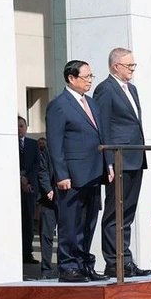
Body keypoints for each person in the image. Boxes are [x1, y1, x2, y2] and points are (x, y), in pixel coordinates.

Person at [46, 60, 113, 282]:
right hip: (72, 176)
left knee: (88, 222)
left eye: (91, 77)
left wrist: (108, 164)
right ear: (71, 78)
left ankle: (85, 264)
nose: (90, 81)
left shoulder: (92, 103)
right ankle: (68, 266)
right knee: (70, 222)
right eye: (86, 77)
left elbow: (102, 136)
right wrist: (62, 174)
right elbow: (55, 144)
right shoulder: (59, 104)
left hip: (94, 173)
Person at [93, 47, 151, 277]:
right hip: (118, 159)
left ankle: (125, 259)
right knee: (114, 212)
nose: (133, 70)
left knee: (127, 212)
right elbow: (104, 127)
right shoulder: (105, 90)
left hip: (135, 157)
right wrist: (107, 161)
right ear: (116, 66)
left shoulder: (132, 90)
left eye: (134, 65)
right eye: (129, 66)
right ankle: (113, 261)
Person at [18, 116, 40, 264]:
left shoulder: (33, 144)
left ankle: (27, 253)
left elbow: (36, 165)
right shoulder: (7, 144)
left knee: (28, 221)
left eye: (21, 126)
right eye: (17, 126)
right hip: (15, 186)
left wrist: (27, 180)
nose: (19, 129)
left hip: (29, 188)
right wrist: (20, 179)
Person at [37, 146, 58, 279]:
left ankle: (63, 267)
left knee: (66, 236)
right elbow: (42, 171)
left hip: (67, 199)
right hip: (49, 198)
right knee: (46, 235)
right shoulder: (47, 151)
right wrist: (48, 189)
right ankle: (46, 270)